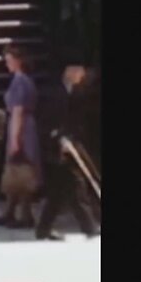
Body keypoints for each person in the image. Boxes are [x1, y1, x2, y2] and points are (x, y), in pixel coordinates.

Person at [35, 66, 101, 241]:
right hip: (58, 147)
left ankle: (44, 229)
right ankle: (90, 227)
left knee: (59, 191)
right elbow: (46, 121)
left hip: (69, 144)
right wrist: (58, 138)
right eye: (80, 71)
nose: (83, 75)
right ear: (70, 72)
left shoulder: (71, 92)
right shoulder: (54, 93)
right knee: (76, 184)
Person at [0, 45, 43, 229]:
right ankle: (10, 211)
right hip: (22, 125)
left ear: (18, 60)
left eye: (9, 60)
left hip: (22, 128)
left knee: (22, 169)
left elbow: (18, 112)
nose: (7, 64)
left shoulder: (21, 82)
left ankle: (25, 214)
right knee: (14, 171)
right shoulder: (20, 80)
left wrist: (15, 139)